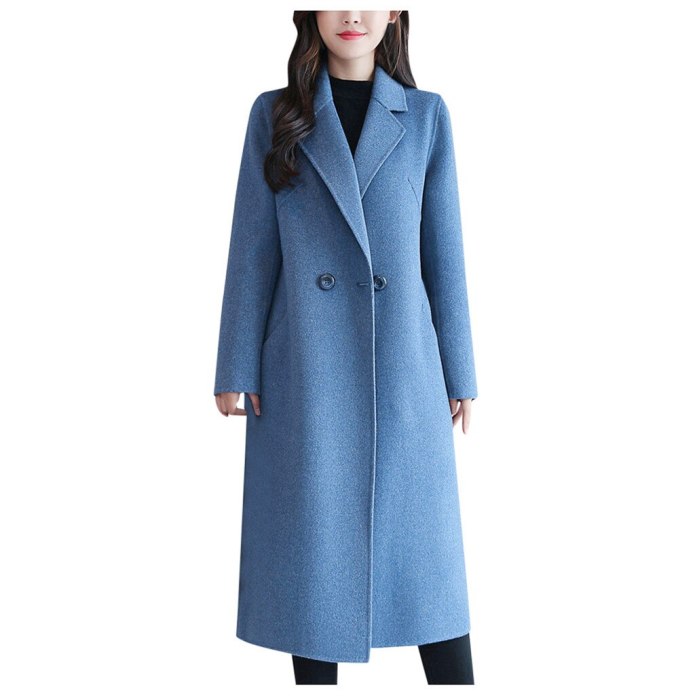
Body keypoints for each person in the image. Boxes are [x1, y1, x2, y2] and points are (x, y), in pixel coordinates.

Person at [214, 10, 478, 685]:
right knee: (315, 566)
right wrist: (236, 363)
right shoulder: (276, 115)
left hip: (404, 369)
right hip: (306, 366)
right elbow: (252, 246)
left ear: (395, 12)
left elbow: (443, 254)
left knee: (430, 576)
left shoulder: (425, 116)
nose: (352, 14)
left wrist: (460, 373)